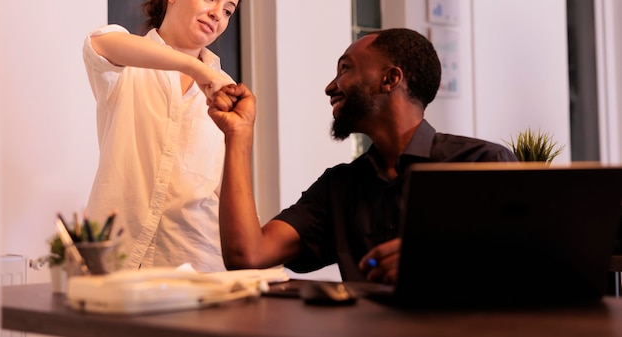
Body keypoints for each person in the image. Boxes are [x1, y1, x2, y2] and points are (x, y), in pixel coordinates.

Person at [207, 28, 518, 284]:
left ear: (390, 79)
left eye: (345, 68)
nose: (330, 87)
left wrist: (436, 262)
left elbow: (531, 268)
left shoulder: (482, 163)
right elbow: (247, 255)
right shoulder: (339, 187)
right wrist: (238, 134)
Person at [82, 0, 245, 271]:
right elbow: (99, 43)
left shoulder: (225, 88)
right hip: (118, 259)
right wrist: (196, 69)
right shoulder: (126, 66)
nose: (217, 15)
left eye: (228, 11)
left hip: (196, 261)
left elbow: (227, 185)